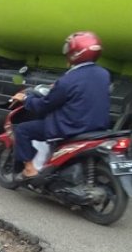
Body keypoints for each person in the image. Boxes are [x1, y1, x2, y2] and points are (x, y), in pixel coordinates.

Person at [10, 31, 111, 183]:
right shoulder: (104, 74)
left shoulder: (69, 79)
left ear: (74, 53)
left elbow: (45, 105)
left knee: (23, 130)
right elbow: (82, 91)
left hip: (71, 127)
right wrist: (57, 87)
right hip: (97, 126)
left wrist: (26, 99)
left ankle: (29, 170)